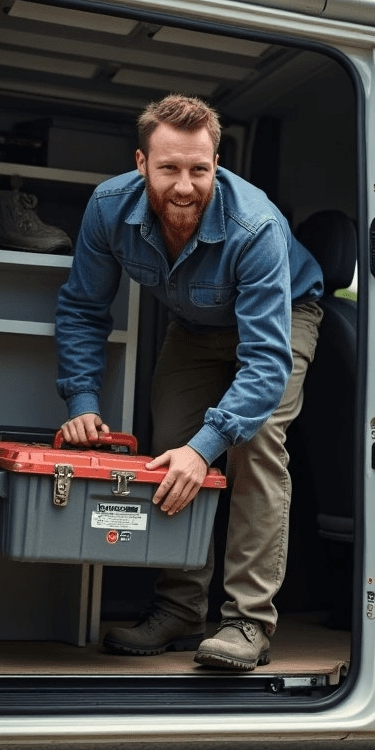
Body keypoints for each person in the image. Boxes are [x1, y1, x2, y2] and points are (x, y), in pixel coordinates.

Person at [55, 94, 323, 670]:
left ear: (216, 164)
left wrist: (208, 449)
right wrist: (81, 398)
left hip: (283, 319)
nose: (185, 186)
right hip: (196, 328)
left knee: (254, 446)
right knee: (170, 445)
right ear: (140, 163)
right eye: (169, 168)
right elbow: (82, 308)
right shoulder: (108, 209)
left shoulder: (255, 226)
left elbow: (264, 363)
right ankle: (179, 609)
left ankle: (248, 622)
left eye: (200, 169)